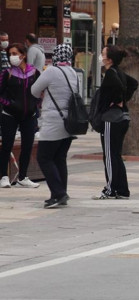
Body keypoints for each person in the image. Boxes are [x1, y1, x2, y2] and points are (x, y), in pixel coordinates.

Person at [30, 44, 77, 208]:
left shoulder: (51, 71)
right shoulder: (73, 72)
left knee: (44, 157)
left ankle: (58, 193)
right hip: (69, 122)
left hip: (53, 120)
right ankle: (61, 192)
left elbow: (34, 90)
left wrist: (45, 91)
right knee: (59, 158)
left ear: (56, 55)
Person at [93, 45, 139, 200]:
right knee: (116, 155)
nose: (101, 56)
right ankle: (122, 190)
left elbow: (122, 86)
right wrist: (123, 99)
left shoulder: (111, 73)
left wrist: (118, 100)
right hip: (121, 118)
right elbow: (133, 84)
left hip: (111, 120)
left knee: (110, 155)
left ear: (109, 59)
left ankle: (111, 188)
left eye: (103, 54)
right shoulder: (118, 71)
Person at [0, 43, 40, 188]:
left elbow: (40, 90)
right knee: (7, 145)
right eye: (10, 54)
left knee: (27, 145)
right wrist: (9, 104)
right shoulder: (7, 73)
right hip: (9, 115)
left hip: (29, 115)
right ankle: (3, 176)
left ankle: (23, 177)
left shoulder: (34, 72)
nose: (12, 57)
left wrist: (35, 104)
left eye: (15, 53)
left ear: (23, 55)